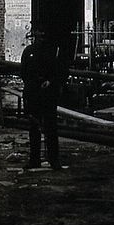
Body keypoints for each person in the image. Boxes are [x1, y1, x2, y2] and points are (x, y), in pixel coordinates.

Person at [20, 29, 65, 170]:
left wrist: (50, 82)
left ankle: (53, 160)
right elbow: (24, 73)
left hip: (47, 94)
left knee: (50, 128)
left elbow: (59, 72)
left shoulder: (53, 52)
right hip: (33, 93)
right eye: (38, 35)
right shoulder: (28, 52)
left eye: (42, 35)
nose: (40, 38)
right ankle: (35, 159)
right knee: (34, 127)